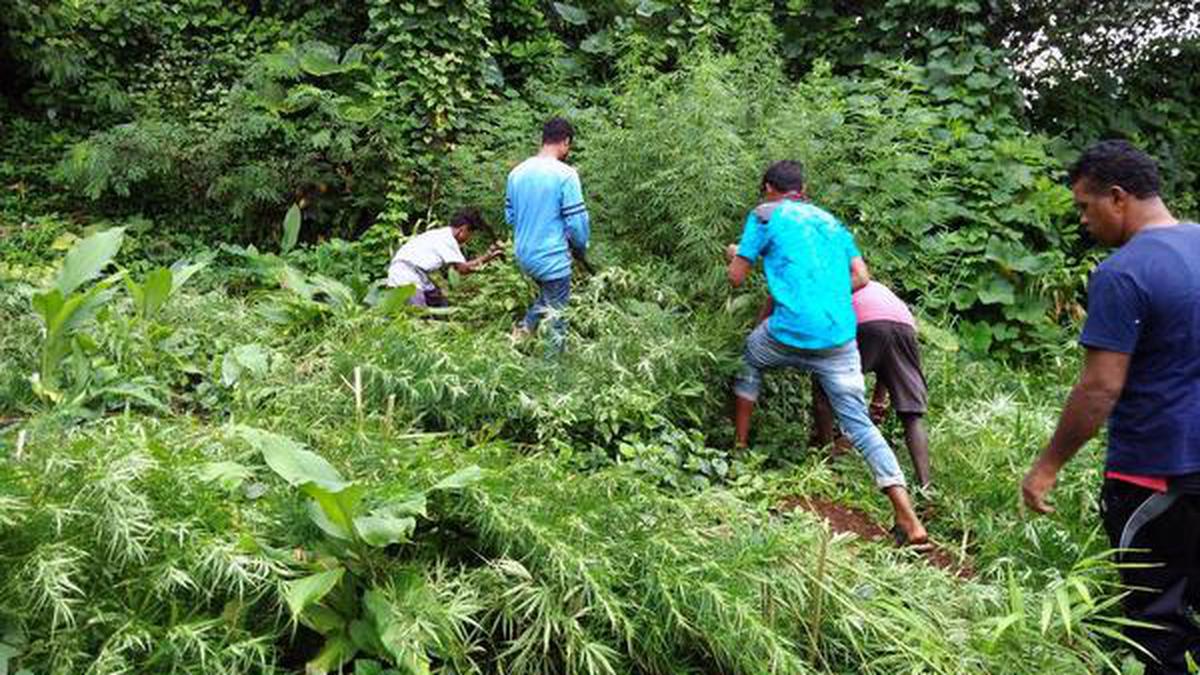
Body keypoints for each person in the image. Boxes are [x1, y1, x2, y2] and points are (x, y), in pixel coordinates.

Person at [1020, 140, 1200, 674]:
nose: (1083, 219)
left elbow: (1100, 387)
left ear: (1117, 198)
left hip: (1155, 477)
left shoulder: (1123, 273)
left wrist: (1046, 467)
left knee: (1156, 625)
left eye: (1084, 205)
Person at [728, 160, 929, 548]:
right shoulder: (832, 223)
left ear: (769, 187)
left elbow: (736, 278)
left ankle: (738, 450)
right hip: (838, 340)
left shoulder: (764, 215)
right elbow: (862, 276)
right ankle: (909, 517)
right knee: (859, 425)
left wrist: (734, 254)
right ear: (803, 188)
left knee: (749, 360)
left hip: (787, 334)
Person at [810, 280, 932, 488]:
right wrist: (877, 402)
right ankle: (926, 486)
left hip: (863, 324)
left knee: (823, 388)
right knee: (911, 415)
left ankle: (827, 463)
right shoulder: (876, 288)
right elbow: (886, 362)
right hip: (905, 326)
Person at [505, 116, 590, 352]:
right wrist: (581, 249)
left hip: (524, 255)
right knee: (557, 318)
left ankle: (520, 335)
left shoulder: (516, 174)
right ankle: (552, 373)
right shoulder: (566, 174)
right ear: (565, 142)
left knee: (548, 296)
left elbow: (510, 218)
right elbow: (577, 224)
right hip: (551, 256)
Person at [385, 208, 502, 306]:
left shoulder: (443, 234)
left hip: (417, 273)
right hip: (405, 274)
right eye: (470, 234)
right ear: (463, 229)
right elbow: (463, 269)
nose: (469, 238)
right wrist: (488, 256)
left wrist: (488, 256)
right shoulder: (448, 239)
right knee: (418, 315)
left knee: (440, 302)